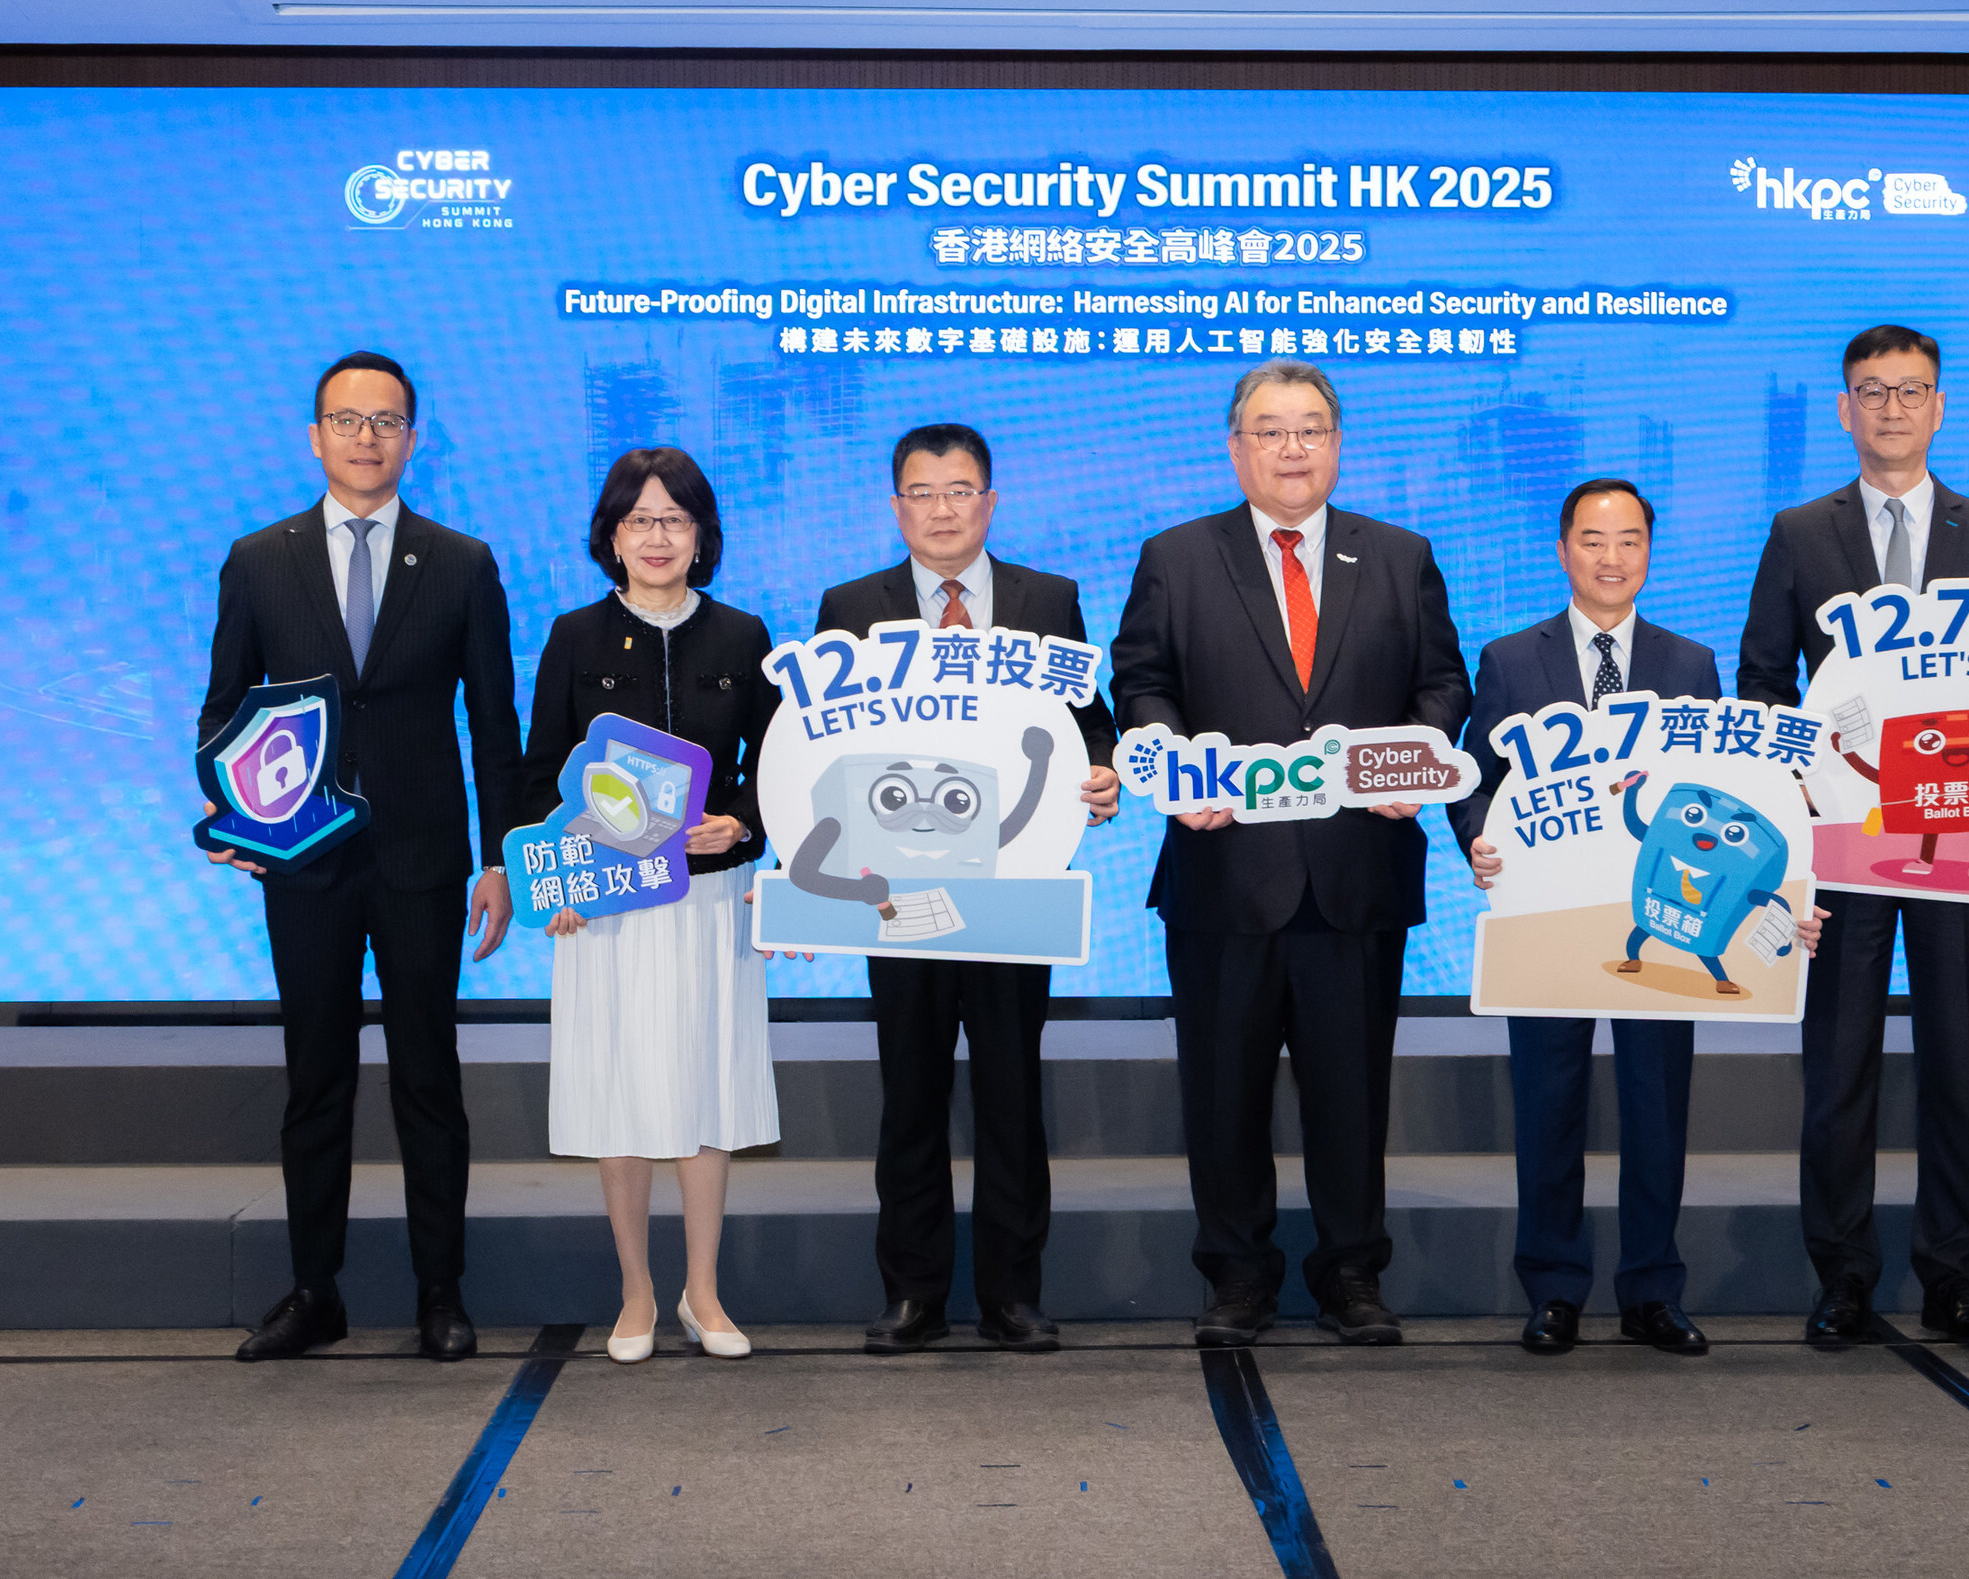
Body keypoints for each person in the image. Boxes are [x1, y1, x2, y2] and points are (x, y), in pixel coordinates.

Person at [1112, 361, 1471, 1348]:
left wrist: (1421, 759)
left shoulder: (1398, 555)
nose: (1292, 449)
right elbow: (1142, 685)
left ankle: (1353, 1275)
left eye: (1310, 429)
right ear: (1236, 448)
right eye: (1269, 431)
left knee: (1352, 1092)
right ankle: (1237, 1277)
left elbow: (1443, 684)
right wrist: (1176, 771)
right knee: (1222, 1091)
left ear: (1338, 443)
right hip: (1223, 872)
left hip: (1358, 871)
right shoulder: (1177, 557)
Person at [198, 350, 520, 1362]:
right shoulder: (260, 559)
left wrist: (501, 856)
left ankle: (441, 1293)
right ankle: (314, 1291)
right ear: (315, 436)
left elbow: (494, 723)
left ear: (412, 439)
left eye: (386, 421)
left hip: (426, 857)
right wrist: (235, 817)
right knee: (316, 1077)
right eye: (347, 420)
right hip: (305, 861)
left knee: (430, 1076)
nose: (367, 437)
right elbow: (225, 708)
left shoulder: (462, 560)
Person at [1455, 478, 1824, 1357]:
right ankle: (1552, 1288)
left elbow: (1734, 795)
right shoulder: (1511, 658)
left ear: (1649, 553)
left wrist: (1787, 898)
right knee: (1549, 1102)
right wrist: (1478, 840)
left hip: (1667, 909)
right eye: (1592, 540)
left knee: (1657, 1104)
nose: (1610, 558)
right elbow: (1481, 779)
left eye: (1628, 541)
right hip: (1547, 916)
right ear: (1562, 549)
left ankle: (1653, 1289)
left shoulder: (1690, 663)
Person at [1737, 324, 1969, 1348]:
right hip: (1844, 840)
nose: (1893, 410)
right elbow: (1764, 683)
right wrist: (1803, 789)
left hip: (1963, 842)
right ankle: (1843, 1275)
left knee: (1959, 1059)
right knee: (1840, 1064)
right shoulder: (1800, 531)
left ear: (1940, 406)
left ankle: (1954, 1272)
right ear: (1844, 409)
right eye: (1873, 392)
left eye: (1911, 392)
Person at [813, 424, 1121, 1355]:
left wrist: (1103, 775)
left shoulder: (1046, 599)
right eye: (922, 492)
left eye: (960, 491)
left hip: (1015, 887)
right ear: (895, 505)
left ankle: (1012, 1294)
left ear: (990, 501)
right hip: (895, 892)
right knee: (908, 1093)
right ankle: (912, 1292)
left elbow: (1089, 723)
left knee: (1010, 1093)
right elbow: (819, 748)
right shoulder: (851, 606)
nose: (942, 510)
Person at [523, 447, 777, 1363]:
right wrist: (548, 878)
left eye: (675, 519)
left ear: (701, 533)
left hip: (712, 902)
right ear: (612, 535)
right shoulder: (574, 636)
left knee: (703, 1092)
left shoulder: (744, 636)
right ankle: (635, 1293)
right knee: (618, 1094)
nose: (657, 536)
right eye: (639, 519)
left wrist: (740, 825)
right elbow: (536, 767)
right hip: (604, 907)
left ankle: (703, 1293)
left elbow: (776, 769)